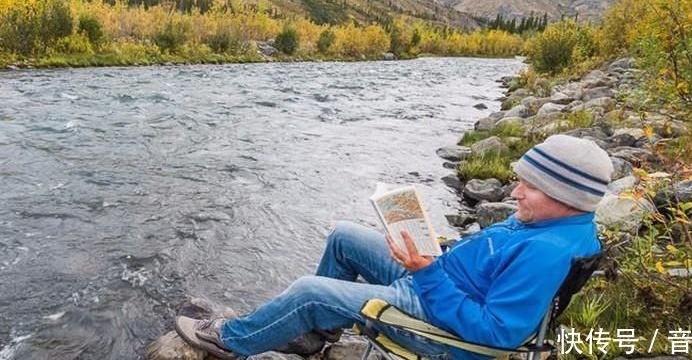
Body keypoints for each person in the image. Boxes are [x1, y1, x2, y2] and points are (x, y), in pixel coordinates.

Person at [174, 134, 611, 360]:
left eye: (529, 187)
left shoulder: (546, 251)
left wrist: (426, 271)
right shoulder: (553, 224)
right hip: (435, 282)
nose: (515, 192)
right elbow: (487, 266)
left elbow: (496, 333)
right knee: (345, 235)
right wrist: (434, 249)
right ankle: (316, 335)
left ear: (565, 194)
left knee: (310, 290)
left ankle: (230, 341)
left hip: (439, 326)